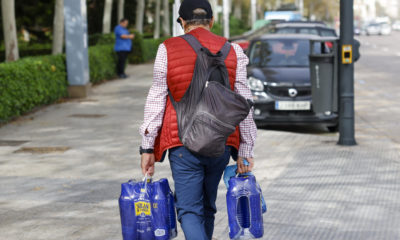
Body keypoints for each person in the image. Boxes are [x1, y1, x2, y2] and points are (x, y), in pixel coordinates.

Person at [139, 0, 257, 239]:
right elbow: (245, 102)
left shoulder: (167, 48)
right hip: (221, 143)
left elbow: (156, 100)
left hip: (182, 144)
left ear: (182, 22)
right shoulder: (234, 51)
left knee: (189, 210)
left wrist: (147, 146)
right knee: (207, 208)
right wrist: (246, 148)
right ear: (211, 22)